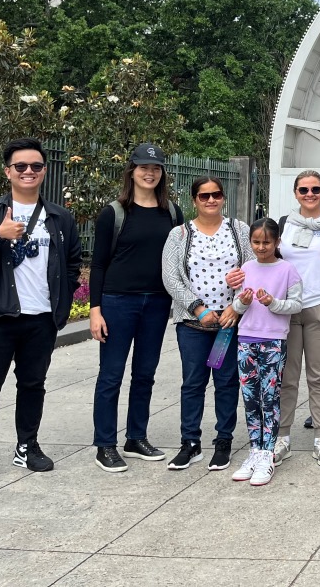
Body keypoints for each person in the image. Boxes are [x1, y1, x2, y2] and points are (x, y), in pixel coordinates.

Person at [0, 137, 82, 487]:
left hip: (41, 318)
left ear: (44, 171)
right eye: (21, 166)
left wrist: (61, 296)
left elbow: (73, 262)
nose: (29, 172)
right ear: (8, 171)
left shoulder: (59, 217)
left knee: (32, 385)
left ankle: (27, 446)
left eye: (36, 166)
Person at [89, 143, 183, 473]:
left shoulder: (171, 212)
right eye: (143, 167)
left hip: (157, 303)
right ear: (132, 170)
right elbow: (98, 265)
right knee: (111, 375)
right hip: (118, 302)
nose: (149, 172)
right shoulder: (113, 213)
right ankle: (105, 444)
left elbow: (179, 258)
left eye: (155, 168)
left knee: (145, 374)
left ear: (162, 173)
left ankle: (136, 437)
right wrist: (95, 310)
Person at [161, 176, 250, 472]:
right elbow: (170, 277)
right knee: (193, 383)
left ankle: (223, 441)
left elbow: (252, 270)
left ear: (223, 197)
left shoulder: (239, 230)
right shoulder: (179, 235)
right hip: (193, 325)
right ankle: (190, 443)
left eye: (216, 195)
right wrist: (198, 309)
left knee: (225, 383)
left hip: (227, 324)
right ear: (194, 200)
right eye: (204, 196)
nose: (211, 200)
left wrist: (234, 308)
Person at [271, 171, 320, 468]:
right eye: (304, 189)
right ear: (295, 193)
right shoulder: (284, 224)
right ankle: (283, 437)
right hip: (288, 307)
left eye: (315, 189)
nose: (310, 193)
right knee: (286, 376)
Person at [230, 218, 303, 487]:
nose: (261, 247)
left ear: (277, 242)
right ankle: (254, 450)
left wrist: (273, 303)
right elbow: (236, 305)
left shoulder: (287, 270)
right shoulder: (246, 268)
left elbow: (296, 304)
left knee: (269, 398)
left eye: (267, 242)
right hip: (245, 340)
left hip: (273, 342)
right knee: (250, 398)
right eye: (256, 242)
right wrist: (242, 301)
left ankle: (267, 455)